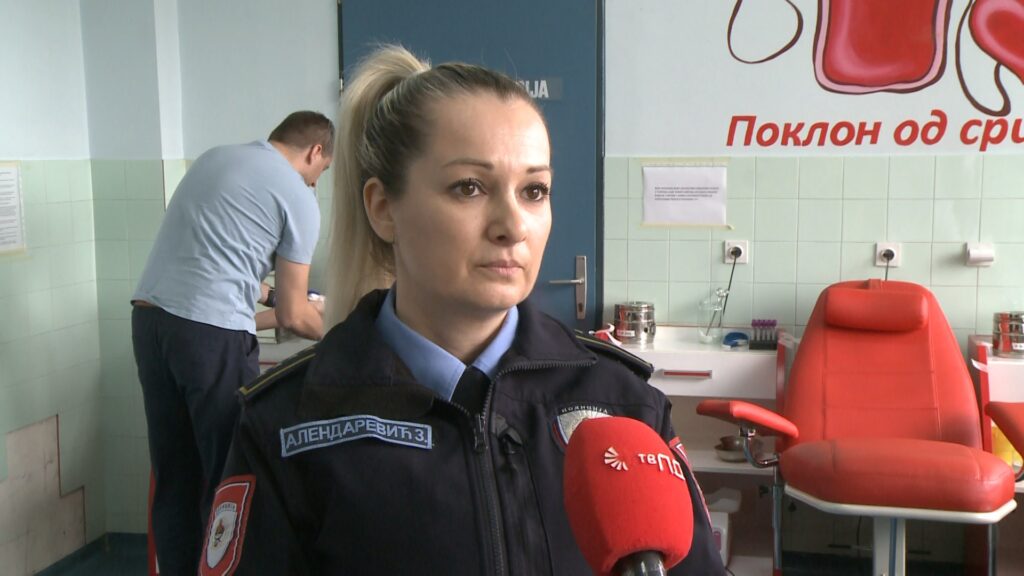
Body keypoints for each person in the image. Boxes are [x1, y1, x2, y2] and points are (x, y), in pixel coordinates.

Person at [200, 46, 723, 575]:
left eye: (534, 190)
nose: (512, 226)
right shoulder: (289, 424)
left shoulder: (625, 404)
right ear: (383, 208)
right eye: (469, 187)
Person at [131, 110, 332, 575]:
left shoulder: (214, 159)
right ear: (315, 151)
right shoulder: (297, 195)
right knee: (227, 479)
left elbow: (221, 266)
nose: (316, 182)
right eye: (322, 171)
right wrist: (346, 331)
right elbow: (294, 315)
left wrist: (272, 297)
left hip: (151, 323)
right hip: (209, 337)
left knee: (175, 478)